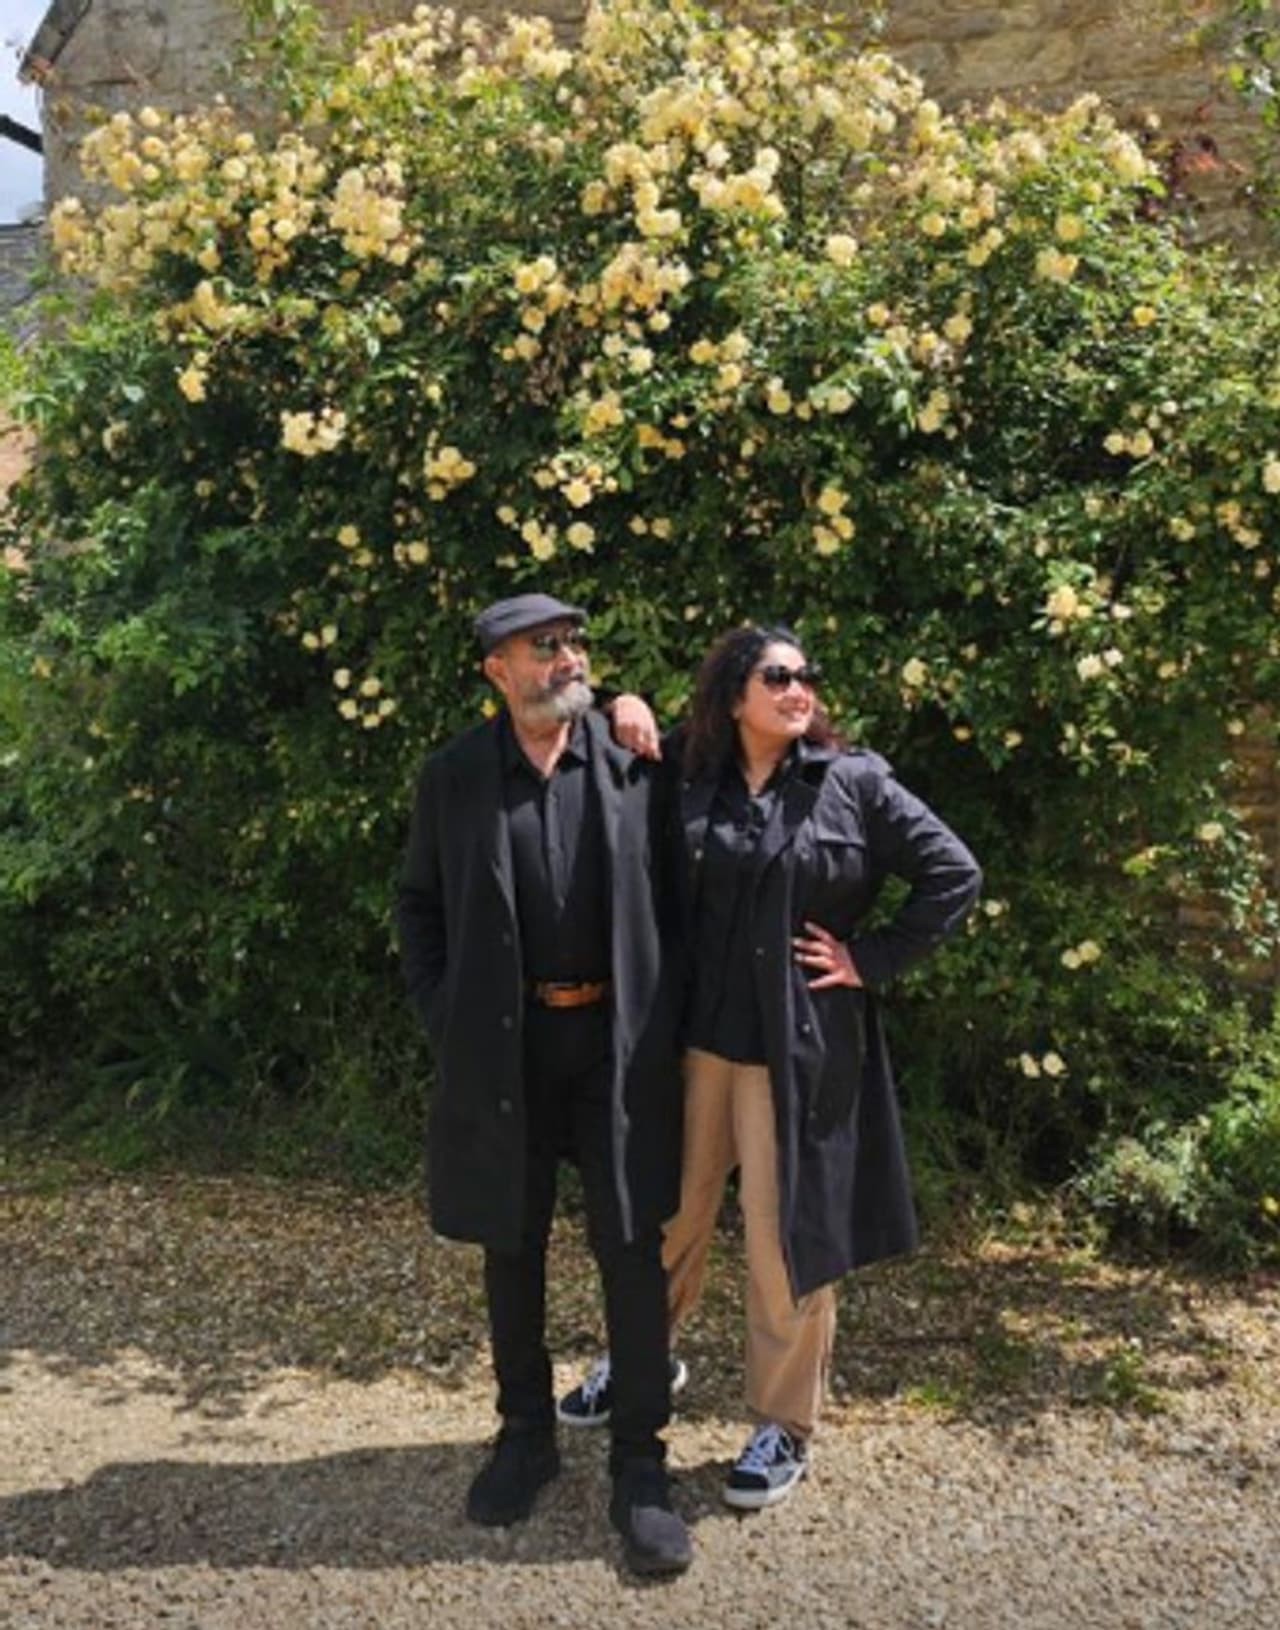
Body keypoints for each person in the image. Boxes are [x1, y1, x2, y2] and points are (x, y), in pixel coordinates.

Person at [559, 622, 981, 1511]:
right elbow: (586, 751)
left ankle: (783, 1423)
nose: (799, 689)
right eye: (778, 676)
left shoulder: (853, 781)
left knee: (784, 1237)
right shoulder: (686, 770)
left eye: (806, 676)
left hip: (795, 1052)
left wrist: (871, 958)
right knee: (665, 1216)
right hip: (691, 1043)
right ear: (733, 694)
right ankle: (639, 1360)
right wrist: (616, 703)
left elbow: (954, 872)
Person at [397, 592, 692, 1576]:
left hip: (614, 1050)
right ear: (498, 670)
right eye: (544, 647)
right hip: (505, 1050)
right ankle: (525, 1437)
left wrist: (664, 1020)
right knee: (510, 1244)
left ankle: (641, 1467)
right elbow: (419, 906)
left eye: (574, 642)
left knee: (631, 1248)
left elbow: (678, 897)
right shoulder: (453, 776)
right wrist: (447, 1015)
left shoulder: (632, 759)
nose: (568, 658)